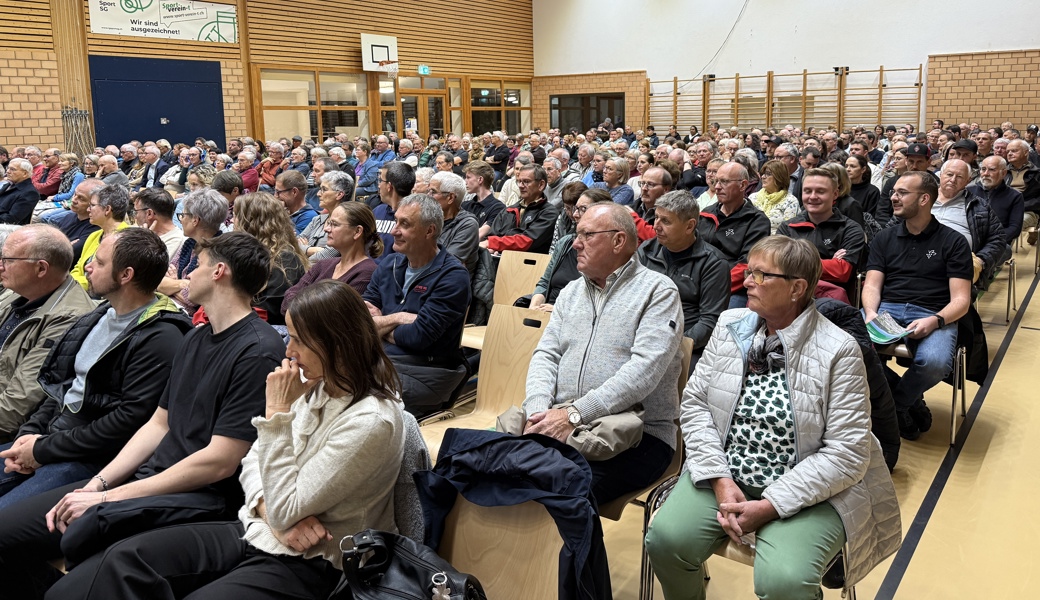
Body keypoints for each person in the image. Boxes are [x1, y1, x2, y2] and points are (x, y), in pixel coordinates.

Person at [47, 280, 406, 600]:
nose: (289, 351)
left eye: (299, 339)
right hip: (260, 529)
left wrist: (277, 415)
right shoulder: (320, 387)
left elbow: (284, 503)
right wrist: (268, 510)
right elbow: (251, 464)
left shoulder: (370, 420)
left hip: (319, 561)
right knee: (123, 561)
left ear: (336, 344)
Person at [0, 232, 286, 598]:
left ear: (218, 272)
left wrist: (107, 498)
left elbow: (218, 463)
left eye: (195, 266)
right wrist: (97, 485)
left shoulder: (258, 351)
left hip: (199, 497)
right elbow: (158, 424)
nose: (185, 277)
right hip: (148, 479)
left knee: (68, 575)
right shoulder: (199, 336)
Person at [645, 236, 900, 600]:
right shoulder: (732, 324)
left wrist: (770, 505)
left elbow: (847, 453)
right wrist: (719, 479)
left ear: (797, 288)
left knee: (784, 582)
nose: (747, 281)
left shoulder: (838, 351)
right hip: (726, 471)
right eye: (749, 271)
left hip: (806, 487)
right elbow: (696, 403)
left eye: (761, 275)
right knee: (667, 541)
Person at [0, 228, 191, 511]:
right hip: (52, 438)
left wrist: (41, 449)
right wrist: (28, 434)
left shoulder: (162, 337)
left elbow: (126, 422)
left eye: (99, 263)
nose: (87, 267)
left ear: (125, 275)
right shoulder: (99, 314)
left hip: (91, 459)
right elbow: (58, 386)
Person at [522, 202, 684, 505]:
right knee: (485, 468)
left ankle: (563, 554)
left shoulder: (658, 292)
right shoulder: (571, 292)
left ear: (618, 240)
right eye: (575, 233)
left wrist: (574, 414)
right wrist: (538, 412)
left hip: (637, 436)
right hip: (560, 421)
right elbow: (546, 355)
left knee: (557, 491)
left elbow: (643, 373)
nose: (575, 244)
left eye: (586, 234)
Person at [862, 171, 973, 440]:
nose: (893, 197)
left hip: (932, 313)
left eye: (902, 193)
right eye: (894, 192)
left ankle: (893, 407)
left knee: (934, 363)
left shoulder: (953, 241)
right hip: (887, 310)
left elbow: (961, 300)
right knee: (848, 351)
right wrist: (871, 314)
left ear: (924, 199)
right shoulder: (884, 238)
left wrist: (935, 320)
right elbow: (872, 286)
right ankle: (910, 401)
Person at [362, 194, 470, 417]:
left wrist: (378, 325)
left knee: (352, 391)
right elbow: (360, 322)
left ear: (429, 231)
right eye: (396, 221)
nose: (394, 231)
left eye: (405, 224)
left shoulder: (452, 276)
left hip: (426, 372)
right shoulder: (389, 264)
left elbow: (419, 337)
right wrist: (398, 318)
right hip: (383, 360)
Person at [0, 225, 94, 442]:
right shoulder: (18, 293)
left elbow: (14, 410)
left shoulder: (69, 318)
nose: (1, 266)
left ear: (41, 269)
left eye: (8, 260)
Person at [637, 190, 729, 365]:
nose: (656, 226)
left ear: (689, 226)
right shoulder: (646, 251)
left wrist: (673, 347)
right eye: (656, 217)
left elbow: (709, 321)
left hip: (685, 343)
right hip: (642, 335)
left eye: (665, 221)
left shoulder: (713, 263)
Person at [282, 202, 381, 314]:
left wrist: (299, 308)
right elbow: (288, 297)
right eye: (329, 223)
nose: (326, 229)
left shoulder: (367, 272)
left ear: (357, 231)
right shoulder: (323, 265)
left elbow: (334, 315)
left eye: (335, 224)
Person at [697, 162, 771, 308]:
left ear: (743, 185)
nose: (717, 187)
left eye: (724, 181)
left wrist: (712, 287)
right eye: (715, 181)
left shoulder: (757, 221)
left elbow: (748, 265)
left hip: (731, 288)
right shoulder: (706, 214)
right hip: (697, 281)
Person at [231, 192, 308, 326]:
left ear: (252, 222)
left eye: (236, 216)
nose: (232, 221)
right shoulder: (248, 253)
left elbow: (267, 312)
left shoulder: (285, 260)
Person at [530, 188, 613, 311]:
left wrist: (558, 310)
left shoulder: (607, 252)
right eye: (575, 208)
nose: (574, 214)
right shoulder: (565, 243)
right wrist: (534, 306)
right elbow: (544, 283)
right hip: (544, 313)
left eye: (583, 209)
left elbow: (602, 302)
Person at [158, 189, 228, 315]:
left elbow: (193, 299)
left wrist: (173, 283)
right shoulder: (189, 243)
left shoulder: (218, 252)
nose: (181, 220)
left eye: (183, 215)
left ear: (195, 220)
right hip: (170, 308)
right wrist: (182, 284)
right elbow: (159, 282)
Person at [482, 164, 560, 254]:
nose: (521, 186)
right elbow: (490, 237)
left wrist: (494, 244)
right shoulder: (508, 210)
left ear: (541, 185)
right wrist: (492, 247)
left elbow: (526, 241)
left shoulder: (549, 213)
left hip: (530, 265)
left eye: (526, 181)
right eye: (519, 181)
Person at [70, 184, 130, 290]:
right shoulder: (94, 235)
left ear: (107, 209)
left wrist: (72, 285)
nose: (88, 210)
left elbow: (106, 280)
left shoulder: (125, 240)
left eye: (92, 205)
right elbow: (78, 268)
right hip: (79, 290)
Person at [299, 170, 354, 261]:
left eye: (324, 189)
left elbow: (322, 258)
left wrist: (304, 249)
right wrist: (313, 250)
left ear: (339, 194)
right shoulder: (317, 220)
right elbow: (293, 245)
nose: (318, 194)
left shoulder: (347, 225)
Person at [430, 171, 478, 274]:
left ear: (450, 198)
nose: (428, 196)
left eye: (433, 192)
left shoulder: (468, 224)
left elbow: (446, 263)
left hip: (447, 285)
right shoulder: (428, 219)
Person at [52, 178, 103, 263]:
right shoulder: (67, 217)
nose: (73, 200)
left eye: (81, 198)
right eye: (75, 194)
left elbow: (65, 256)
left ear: (94, 203)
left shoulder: (95, 228)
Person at [132, 187, 185, 260]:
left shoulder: (176, 241)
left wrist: (143, 242)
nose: (135, 217)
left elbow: (148, 269)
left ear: (149, 214)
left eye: (136, 212)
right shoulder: (143, 230)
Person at [749, 159, 799, 234]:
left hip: (777, 243)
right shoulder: (753, 198)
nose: (763, 177)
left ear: (779, 177)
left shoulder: (790, 201)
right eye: (763, 174)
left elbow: (789, 231)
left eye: (768, 174)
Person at [0, 159, 40, 224]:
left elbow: (11, 219)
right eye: (8, 168)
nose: (7, 171)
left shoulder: (30, 193)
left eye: (12, 169)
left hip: (8, 229)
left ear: (25, 173)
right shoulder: (8, 185)